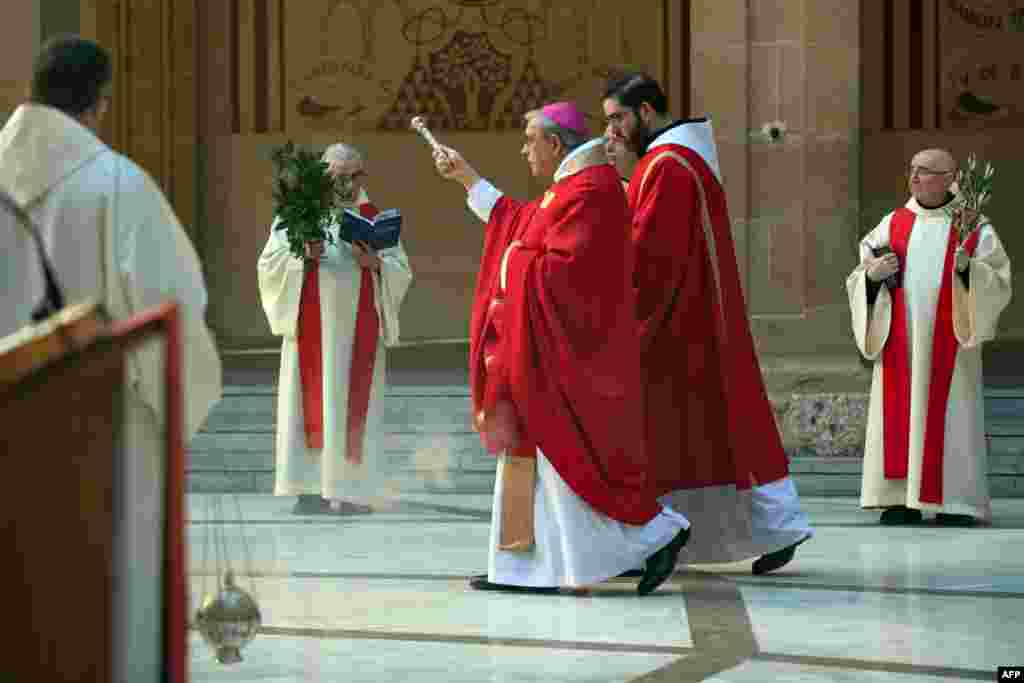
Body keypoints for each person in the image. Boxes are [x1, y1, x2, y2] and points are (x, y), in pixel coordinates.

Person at [0, 35, 222, 682]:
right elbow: (174, 306)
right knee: (106, 602)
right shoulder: (120, 186)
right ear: (99, 102)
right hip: (101, 431)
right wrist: (177, 404)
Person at [430, 101, 690, 595]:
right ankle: (525, 565)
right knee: (548, 469)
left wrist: (514, 263)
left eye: (529, 139)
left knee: (570, 467)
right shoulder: (570, 190)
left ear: (554, 143)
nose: (524, 148)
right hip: (545, 353)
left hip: (570, 360)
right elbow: (522, 226)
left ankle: (655, 534)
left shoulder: (590, 193)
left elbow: (568, 274)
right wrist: (468, 180)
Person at [602, 72, 813, 575]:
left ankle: (649, 540)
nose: (610, 130)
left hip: (676, 326)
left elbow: (650, 256)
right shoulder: (676, 160)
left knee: (681, 436)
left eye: (617, 118)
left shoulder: (668, 166)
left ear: (646, 113)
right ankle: (771, 528)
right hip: (691, 320)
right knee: (715, 437)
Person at [847, 148, 1011, 526]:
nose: (915, 178)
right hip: (901, 346)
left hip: (949, 346)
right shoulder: (893, 223)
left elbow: (998, 279)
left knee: (951, 416)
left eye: (925, 172)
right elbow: (862, 269)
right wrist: (872, 276)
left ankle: (954, 501)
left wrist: (971, 272)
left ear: (950, 178)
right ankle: (900, 499)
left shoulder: (972, 224)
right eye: (913, 171)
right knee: (901, 412)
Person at [258, 142, 412, 516]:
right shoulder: (299, 214)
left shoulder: (372, 217)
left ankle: (353, 490)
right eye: (337, 175)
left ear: (362, 176)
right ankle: (309, 488)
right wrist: (301, 257)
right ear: (322, 175)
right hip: (313, 330)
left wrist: (375, 263)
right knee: (308, 401)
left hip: (357, 331)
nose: (344, 183)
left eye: (352, 175)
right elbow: (269, 264)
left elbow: (400, 269)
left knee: (352, 404)